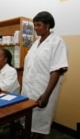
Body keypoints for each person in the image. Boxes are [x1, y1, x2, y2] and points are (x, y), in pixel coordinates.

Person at [20, 11, 68, 139]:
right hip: (28, 90)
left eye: (38, 25)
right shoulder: (36, 43)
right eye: (34, 25)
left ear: (48, 25)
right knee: (28, 121)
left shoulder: (57, 42)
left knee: (40, 124)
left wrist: (46, 94)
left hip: (43, 90)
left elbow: (57, 70)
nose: (35, 28)